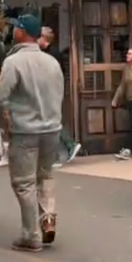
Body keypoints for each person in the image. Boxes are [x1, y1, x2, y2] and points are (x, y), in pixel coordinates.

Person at [0, 13, 66, 252]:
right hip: (51, 128)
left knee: (24, 183)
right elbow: (60, 94)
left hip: (25, 129)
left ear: (22, 32)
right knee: (45, 176)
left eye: (16, 28)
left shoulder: (13, 62)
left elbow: (0, 97)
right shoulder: (52, 62)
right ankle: (48, 218)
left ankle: (30, 234)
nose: (13, 30)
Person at [39, 26, 81, 165]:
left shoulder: (51, 54)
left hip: (51, 91)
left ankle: (66, 147)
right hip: (53, 90)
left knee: (51, 122)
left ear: (43, 38)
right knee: (51, 122)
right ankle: (63, 149)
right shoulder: (50, 52)